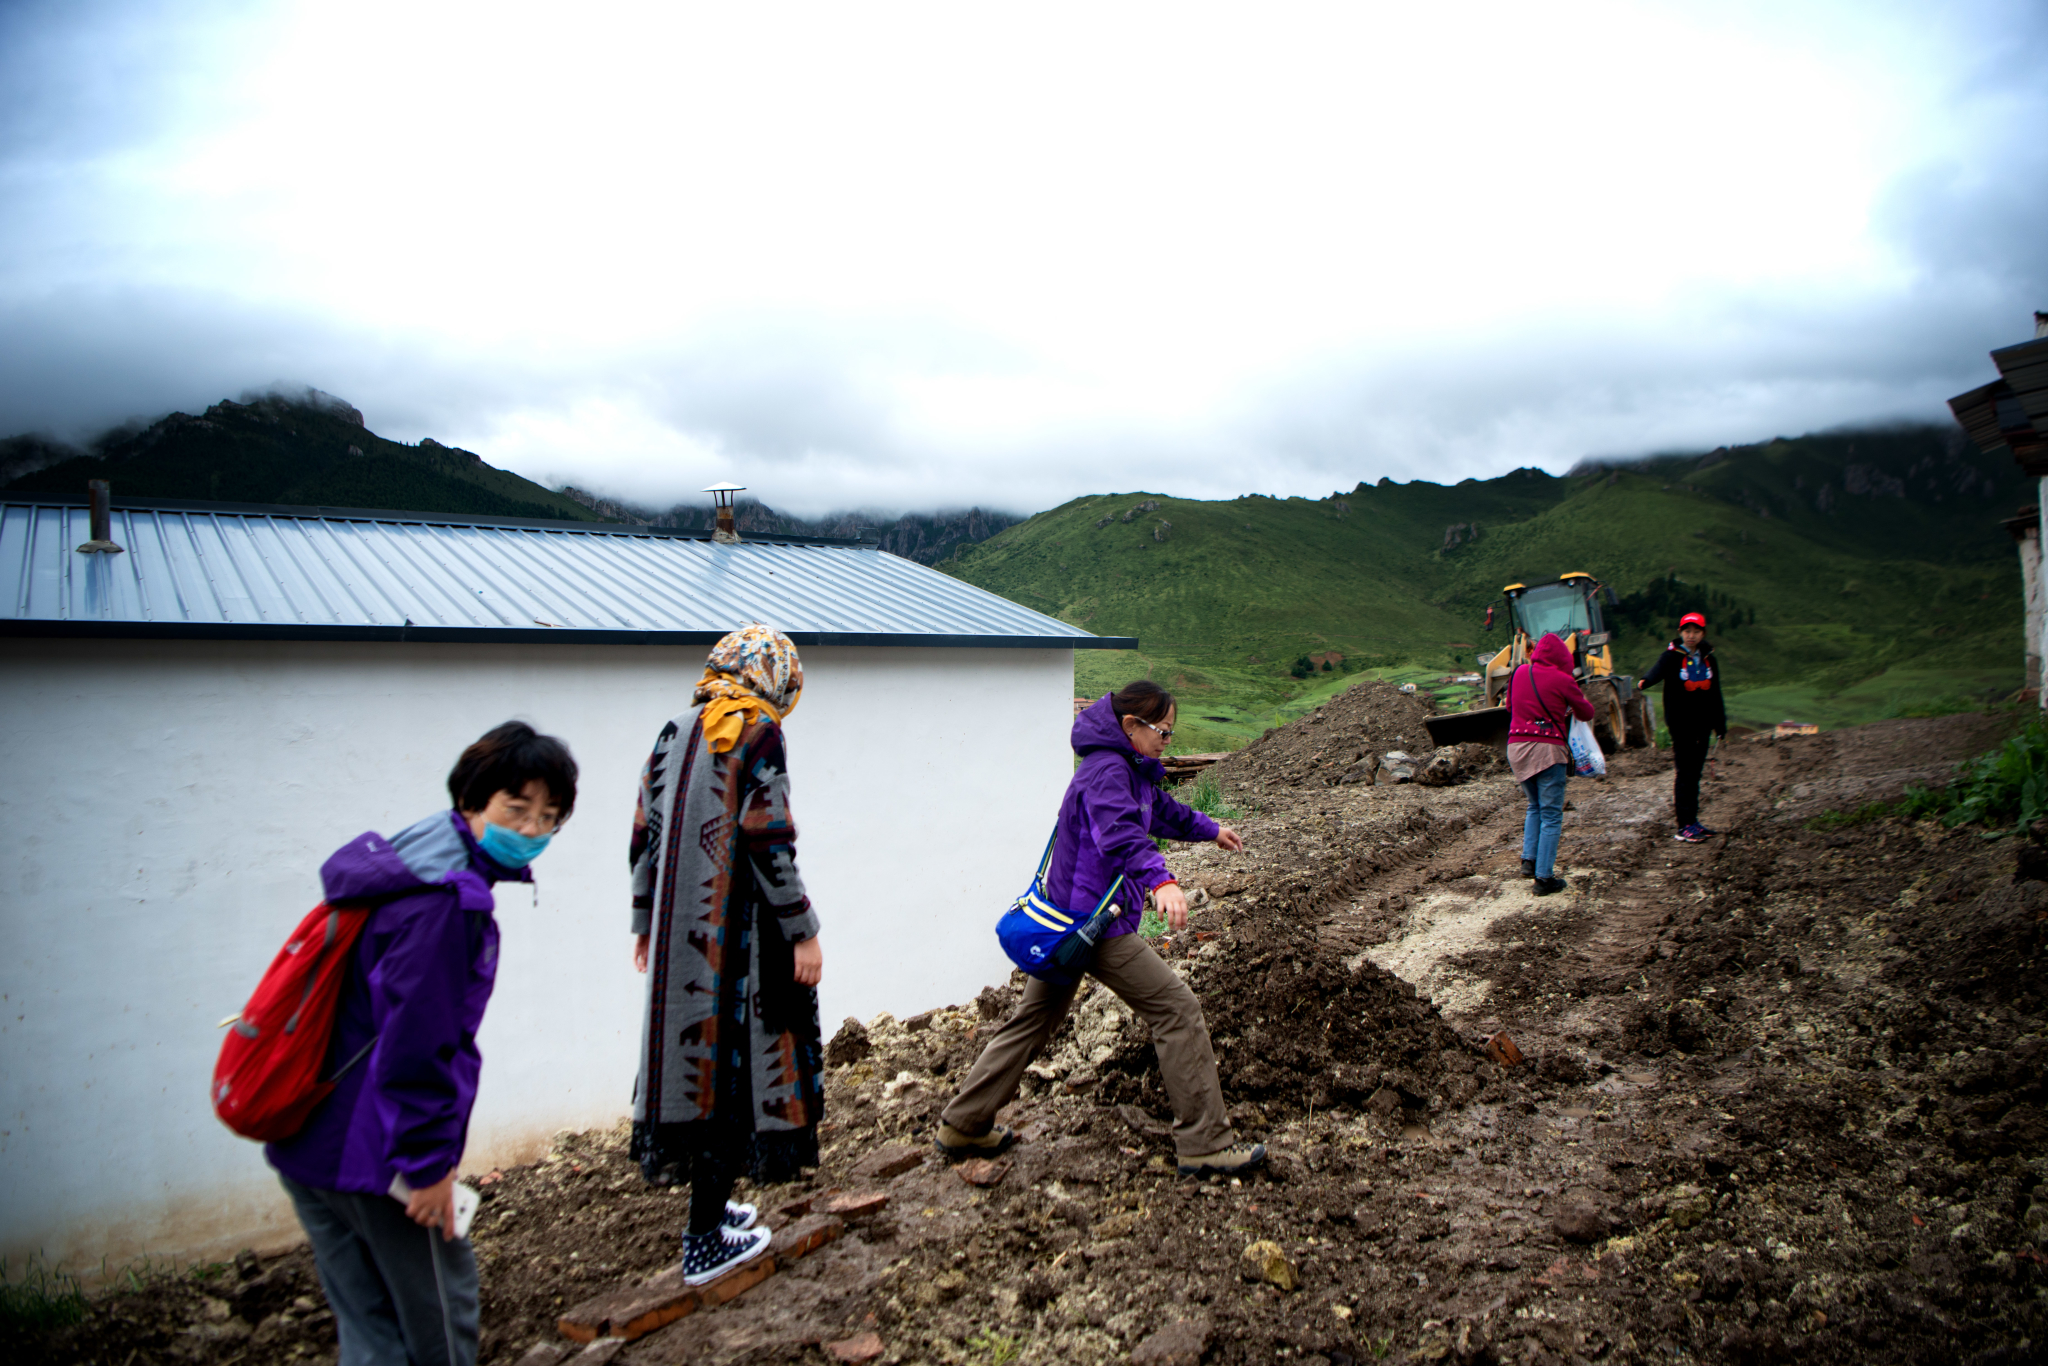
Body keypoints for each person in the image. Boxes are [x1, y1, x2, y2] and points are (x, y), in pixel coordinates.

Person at [268, 720, 579, 1366]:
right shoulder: (446, 904)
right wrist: (427, 1168)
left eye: (547, 817)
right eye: (514, 809)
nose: (529, 831)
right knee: (440, 1320)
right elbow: (418, 1046)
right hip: (376, 1156)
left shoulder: (406, 859)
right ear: (471, 803)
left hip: (308, 1136)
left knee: (369, 1331)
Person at [936, 680, 1266, 1177]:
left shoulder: (1125, 768)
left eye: (1171, 734)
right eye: (1163, 732)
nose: (1167, 742)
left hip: (1072, 922)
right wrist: (1162, 880)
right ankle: (1204, 1144)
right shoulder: (1107, 771)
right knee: (1177, 1009)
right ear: (1130, 725)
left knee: (1033, 1021)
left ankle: (963, 1122)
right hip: (1094, 925)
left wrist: (1209, 828)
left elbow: (1160, 811)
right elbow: (1120, 835)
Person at [630, 624, 824, 1286]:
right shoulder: (757, 730)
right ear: (775, 675)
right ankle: (704, 1241)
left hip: (678, 934)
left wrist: (642, 919)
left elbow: (644, 834)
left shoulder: (674, 729)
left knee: (694, 1068)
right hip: (738, 934)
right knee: (734, 1074)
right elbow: (770, 839)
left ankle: (708, 1214)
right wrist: (803, 929)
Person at [1506, 633, 1595, 895]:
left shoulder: (1520, 672)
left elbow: (1510, 707)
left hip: (1516, 748)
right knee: (1551, 814)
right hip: (1547, 751)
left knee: (1534, 805)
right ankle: (1544, 879)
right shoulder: (1563, 679)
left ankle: (1529, 860)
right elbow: (1586, 712)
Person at [1641, 610, 1728, 842]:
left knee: (1696, 774)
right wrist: (1645, 681)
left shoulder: (1710, 659)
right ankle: (1683, 826)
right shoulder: (1671, 657)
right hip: (1681, 725)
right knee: (1685, 773)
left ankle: (1693, 821)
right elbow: (1657, 671)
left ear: (1702, 633)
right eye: (1687, 631)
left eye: (1696, 631)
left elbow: (1716, 692)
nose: (1691, 635)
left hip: (1703, 726)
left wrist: (1720, 725)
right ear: (1680, 633)